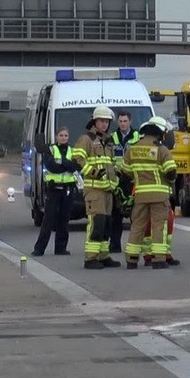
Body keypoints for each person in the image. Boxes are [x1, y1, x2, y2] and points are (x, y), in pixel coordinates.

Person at [120, 116, 177, 269]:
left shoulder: (133, 149)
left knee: (137, 226)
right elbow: (171, 172)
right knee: (158, 226)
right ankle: (158, 260)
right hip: (159, 195)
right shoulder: (161, 149)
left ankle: (131, 260)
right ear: (160, 134)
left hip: (140, 195)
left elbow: (125, 173)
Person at [72, 106, 122, 269]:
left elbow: (111, 163)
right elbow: (77, 158)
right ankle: (90, 258)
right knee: (96, 223)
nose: (104, 124)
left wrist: (117, 176)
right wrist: (93, 172)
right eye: (101, 121)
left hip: (107, 190)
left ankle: (103, 255)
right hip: (94, 189)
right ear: (94, 121)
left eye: (107, 121)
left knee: (107, 224)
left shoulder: (107, 140)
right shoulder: (86, 139)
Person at [31, 126, 80, 256]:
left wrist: (61, 162)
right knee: (48, 220)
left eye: (65, 136)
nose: (63, 138)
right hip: (54, 189)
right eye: (61, 135)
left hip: (68, 189)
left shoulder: (73, 150)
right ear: (56, 136)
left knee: (64, 220)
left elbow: (75, 166)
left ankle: (60, 248)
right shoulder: (51, 149)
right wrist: (66, 164)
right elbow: (51, 166)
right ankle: (39, 249)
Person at [109, 110, 140, 254]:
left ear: (130, 122)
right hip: (117, 180)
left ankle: (135, 245)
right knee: (116, 215)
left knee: (136, 215)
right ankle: (115, 245)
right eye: (120, 121)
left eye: (125, 121)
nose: (122, 124)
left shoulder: (138, 137)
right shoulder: (111, 138)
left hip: (133, 180)